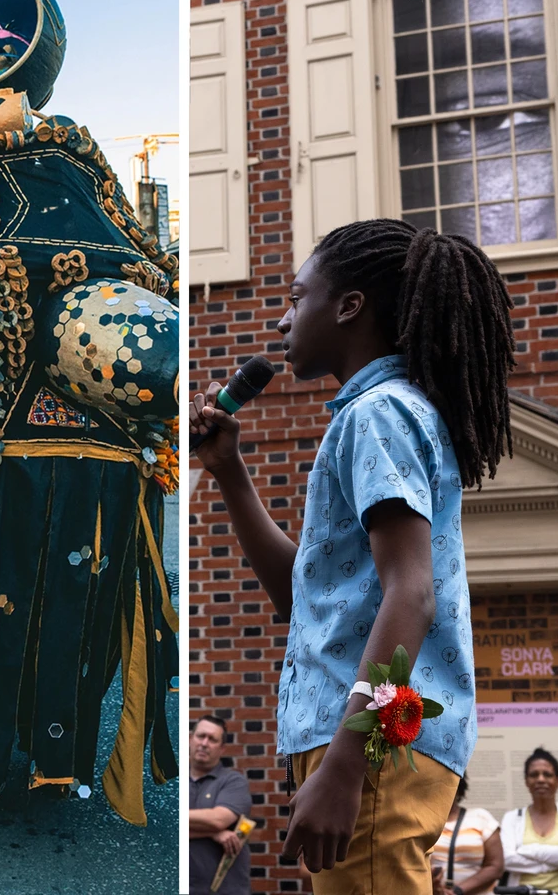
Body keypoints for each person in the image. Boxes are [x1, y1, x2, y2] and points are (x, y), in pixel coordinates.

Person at [190, 220, 516, 895]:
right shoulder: (382, 413)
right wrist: (230, 472)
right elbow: (297, 598)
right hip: (371, 739)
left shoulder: (378, 414)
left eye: (295, 295)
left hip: (371, 747)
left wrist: (346, 763)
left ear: (348, 307)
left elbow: (412, 593)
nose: (281, 318)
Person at [188, 715, 254, 895]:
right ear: (189, 738)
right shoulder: (174, 783)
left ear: (222, 748)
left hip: (227, 890)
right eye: (200, 736)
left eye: (212, 739)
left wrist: (213, 828)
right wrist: (213, 833)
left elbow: (218, 820)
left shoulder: (233, 782)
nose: (204, 743)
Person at [499, 748, 558, 894]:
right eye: (534, 775)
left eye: (547, 774)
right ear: (526, 781)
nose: (540, 779)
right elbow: (507, 859)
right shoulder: (511, 818)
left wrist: (525, 850)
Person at [428, 775, 503, 895]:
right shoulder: (423, 822)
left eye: (449, 783)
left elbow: (495, 867)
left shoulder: (481, 818)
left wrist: (457, 891)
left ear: (459, 785)